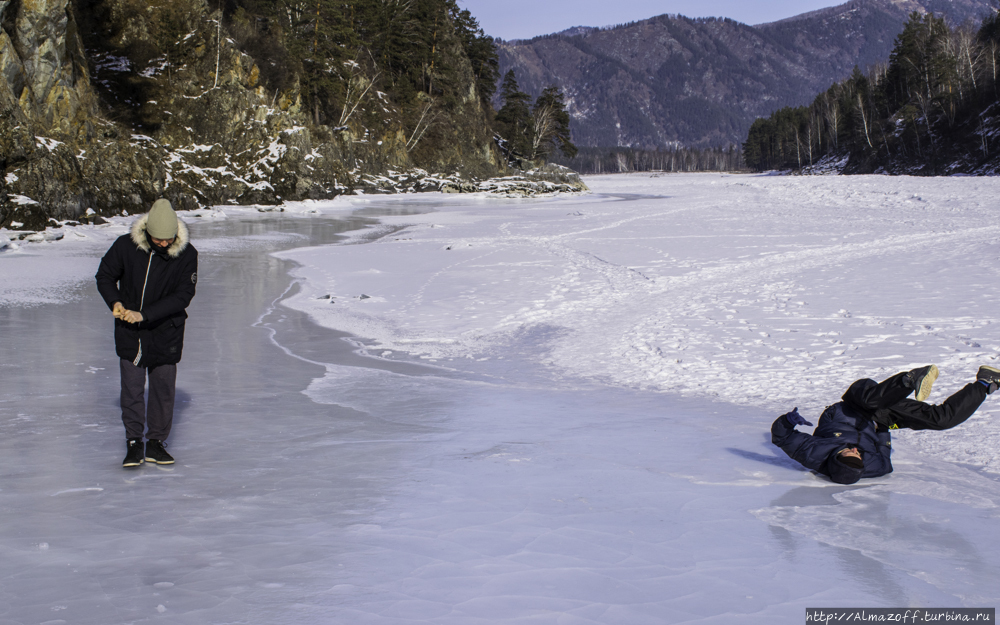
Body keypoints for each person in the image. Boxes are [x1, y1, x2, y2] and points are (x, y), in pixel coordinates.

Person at [95, 199, 198, 468]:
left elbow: (183, 295)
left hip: (167, 331)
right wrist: (115, 302)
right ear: (147, 232)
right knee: (131, 389)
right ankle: (133, 442)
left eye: (169, 238)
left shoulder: (187, 254)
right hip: (130, 331)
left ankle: (155, 443)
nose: (164, 243)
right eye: (158, 239)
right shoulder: (125, 246)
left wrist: (145, 314)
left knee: (163, 389)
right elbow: (105, 276)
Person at [771, 365, 1000, 484]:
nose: (855, 451)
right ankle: (986, 382)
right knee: (941, 421)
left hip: (855, 401)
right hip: (880, 419)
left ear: (834, 459)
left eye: (847, 454)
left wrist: (789, 420)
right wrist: (882, 430)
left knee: (872, 399)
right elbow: (884, 454)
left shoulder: (814, 454)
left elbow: (781, 436)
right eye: (858, 456)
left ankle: (910, 379)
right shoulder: (874, 467)